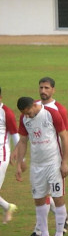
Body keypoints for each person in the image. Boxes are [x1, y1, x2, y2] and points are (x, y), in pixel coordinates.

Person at [15, 96, 68, 236]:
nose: (27, 115)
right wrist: (20, 163)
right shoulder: (24, 119)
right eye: (24, 113)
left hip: (53, 163)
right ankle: (44, 235)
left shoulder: (51, 113)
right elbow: (23, 140)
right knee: (39, 199)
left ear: (34, 105)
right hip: (36, 165)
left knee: (58, 197)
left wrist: (64, 162)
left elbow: (64, 136)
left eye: (28, 112)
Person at [24, 77, 68, 236]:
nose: (43, 91)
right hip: (38, 161)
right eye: (41, 88)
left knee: (56, 195)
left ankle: (57, 234)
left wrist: (64, 161)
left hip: (54, 159)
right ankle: (42, 233)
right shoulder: (30, 109)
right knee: (40, 196)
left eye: (46, 88)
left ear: (53, 90)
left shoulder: (58, 110)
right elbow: (24, 138)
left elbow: (66, 134)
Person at [0, 87, 19, 224]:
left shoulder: (6, 112)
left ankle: (8, 207)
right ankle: (8, 207)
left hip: (1, 156)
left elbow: (14, 133)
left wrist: (20, 157)